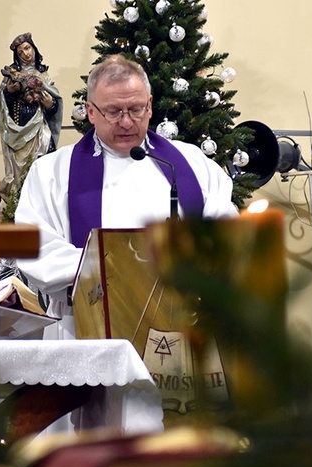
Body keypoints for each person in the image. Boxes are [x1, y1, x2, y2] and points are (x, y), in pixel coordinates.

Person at [15, 54, 238, 341]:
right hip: (88, 326)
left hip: (183, 326)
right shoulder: (51, 173)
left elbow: (225, 232)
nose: (125, 122)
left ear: (150, 107)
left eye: (135, 109)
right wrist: (121, 269)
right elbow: (36, 248)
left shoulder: (191, 163)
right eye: (113, 111)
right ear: (91, 111)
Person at [0, 32, 62, 202]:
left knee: (42, 163)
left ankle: (40, 201)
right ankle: (18, 203)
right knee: (19, 171)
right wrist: (9, 93)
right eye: (21, 52)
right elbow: (3, 103)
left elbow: (54, 104)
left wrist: (49, 104)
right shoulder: (11, 75)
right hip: (18, 128)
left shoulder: (44, 76)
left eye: (27, 48)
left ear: (34, 48)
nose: (25, 54)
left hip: (39, 127)